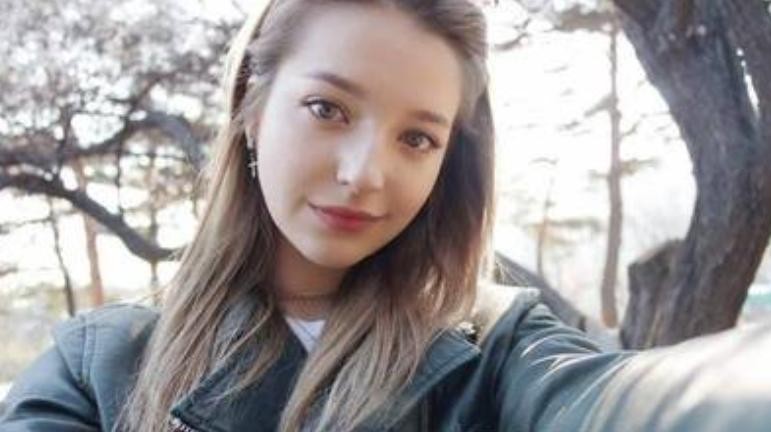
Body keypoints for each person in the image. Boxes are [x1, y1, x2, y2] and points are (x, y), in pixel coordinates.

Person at [2, 0, 771, 431]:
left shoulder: (492, 349)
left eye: (416, 138)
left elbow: (624, 403)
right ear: (250, 108)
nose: (366, 173)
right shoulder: (99, 364)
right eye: (327, 109)